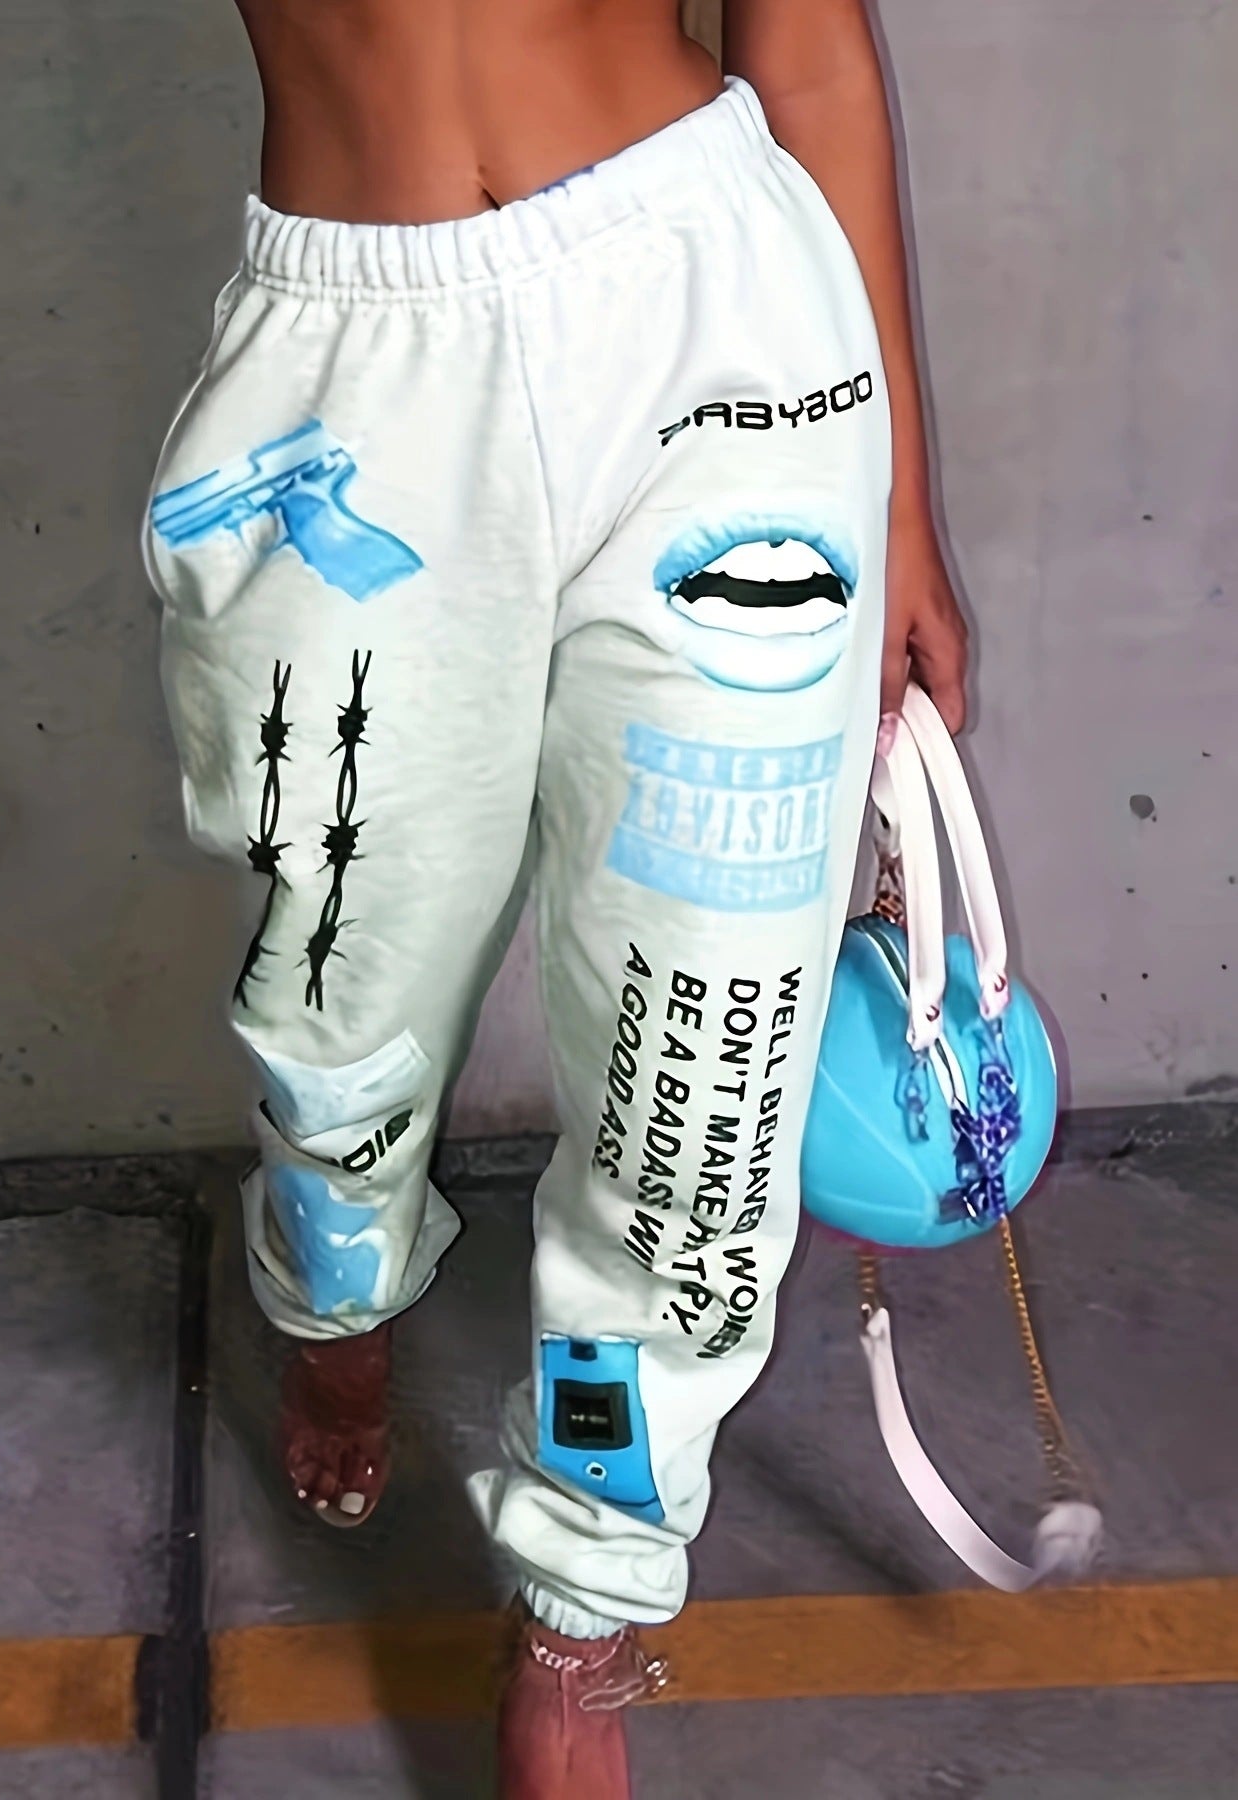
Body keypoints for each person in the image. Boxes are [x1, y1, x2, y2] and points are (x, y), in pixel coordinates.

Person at [141, 2, 967, 1792]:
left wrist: (898, 495)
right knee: (335, 994)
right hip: (349, 369)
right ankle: (338, 1289)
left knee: (706, 1047)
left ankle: (587, 1604)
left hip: (719, 337)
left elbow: (808, 53)